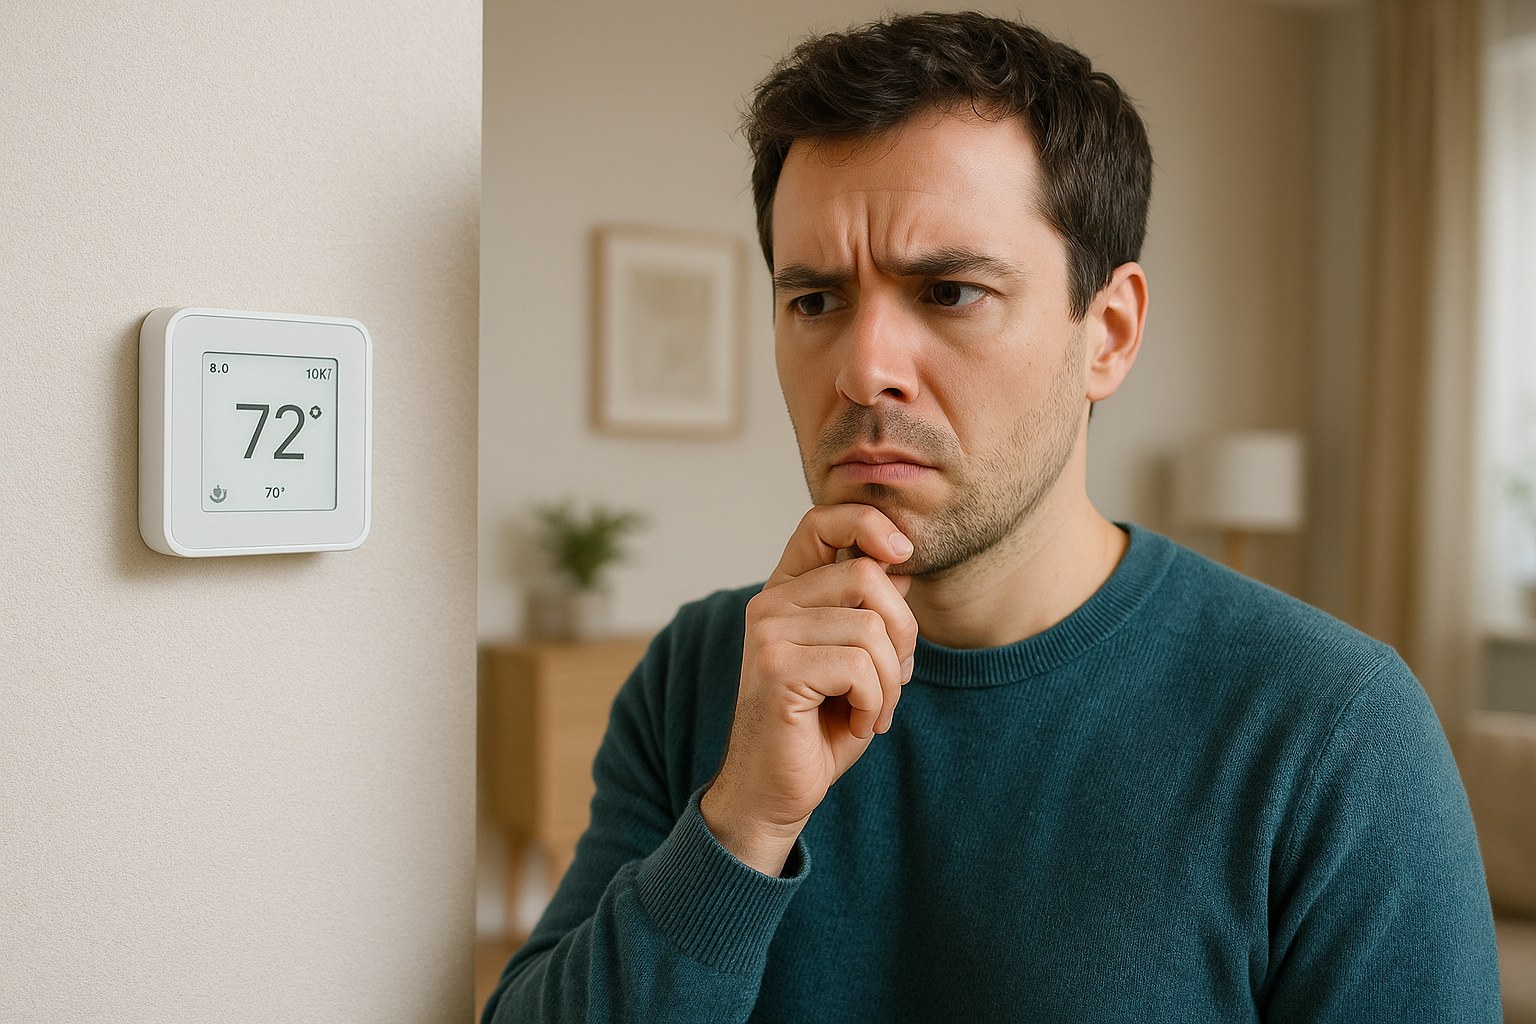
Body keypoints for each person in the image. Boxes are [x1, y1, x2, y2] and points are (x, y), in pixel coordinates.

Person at [482, 12, 1501, 1022]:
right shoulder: (704, 670)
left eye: (951, 291)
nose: (864, 366)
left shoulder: (1332, 733)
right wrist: (742, 822)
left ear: (1107, 333)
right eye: (816, 301)